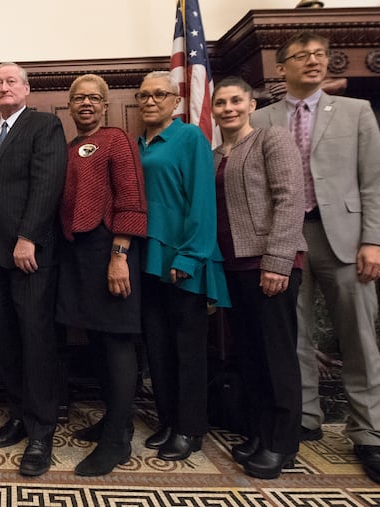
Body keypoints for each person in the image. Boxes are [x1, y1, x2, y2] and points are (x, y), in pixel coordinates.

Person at [251, 31, 380, 487]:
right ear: (282, 68)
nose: (313, 62)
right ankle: (306, 416)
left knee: (358, 334)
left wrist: (376, 240)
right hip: (285, 238)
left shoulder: (356, 112)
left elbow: (376, 180)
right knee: (292, 333)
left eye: (320, 55)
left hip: (345, 238)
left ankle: (370, 435)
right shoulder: (260, 119)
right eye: (301, 56)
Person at [0, 62, 67, 476]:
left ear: (27, 89)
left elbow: (48, 183)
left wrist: (28, 236)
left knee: (36, 340)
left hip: (29, 254)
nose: (4, 87)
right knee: (7, 340)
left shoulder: (44, 126)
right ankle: (18, 413)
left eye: (11, 81)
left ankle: (42, 429)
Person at [212, 76, 306, 479]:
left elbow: (290, 199)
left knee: (277, 357)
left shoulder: (272, 139)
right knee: (249, 355)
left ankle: (282, 443)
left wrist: (278, 260)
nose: (228, 108)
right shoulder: (215, 155)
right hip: (232, 268)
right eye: (221, 103)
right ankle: (260, 431)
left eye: (236, 100)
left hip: (268, 265)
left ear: (252, 105)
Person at [136, 71, 230, 461]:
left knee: (187, 349)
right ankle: (169, 420)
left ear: (176, 101)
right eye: (143, 95)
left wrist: (190, 256)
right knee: (158, 348)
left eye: (160, 94)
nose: (150, 101)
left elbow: (202, 201)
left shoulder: (190, 137)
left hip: (182, 259)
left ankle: (190, 429)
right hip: (148, 261)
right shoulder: (138, 144)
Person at [57, 74, 147, 476]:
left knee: (116, 343)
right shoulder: (71, 146)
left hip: (110, 249)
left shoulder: (117, 140)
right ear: (70, 106)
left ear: (106, 104)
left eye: (95, 98)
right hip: (80, 254)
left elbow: (130, 198)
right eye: (79, 98)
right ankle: (117, 421)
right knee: (97, 341)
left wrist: (119, 255)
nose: (87, 104)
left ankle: (116, 443)